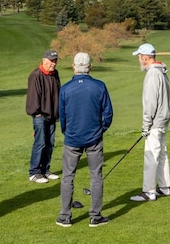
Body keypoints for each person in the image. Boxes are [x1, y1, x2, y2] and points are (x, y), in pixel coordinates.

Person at [56, 52, 113, 228]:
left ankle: (65, 216)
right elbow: (108, 114)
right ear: (90, 67)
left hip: (72, 139)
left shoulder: (65, 88)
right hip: (94, 138)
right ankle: (95, 216)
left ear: (74, 66)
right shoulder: (99, 86)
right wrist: (100, 130)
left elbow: (62, 117)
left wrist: (68, 132)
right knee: (96, 176)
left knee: (67, 177)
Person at [130, 43, 170, 202]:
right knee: (162, 154)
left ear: (145, 57)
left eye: (140, 57)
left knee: (151, 155)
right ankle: (164, 187)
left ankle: (149, 191)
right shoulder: (161, 70)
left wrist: (146, 125)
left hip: (155, 122)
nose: (139, 60)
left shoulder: (152, 74)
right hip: (163, 119)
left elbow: (150, 103)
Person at [26, 49, 61, 184]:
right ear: (44, 60)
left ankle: (45, 170)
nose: (54, 64)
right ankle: (34, 172)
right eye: (52, 61)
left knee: (50, 143)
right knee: (40, 143)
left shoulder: (54, 74)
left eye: (55, 61)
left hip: (52, 114)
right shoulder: (36, 75)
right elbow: (34, 98)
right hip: (40, 115)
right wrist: (38, 112)